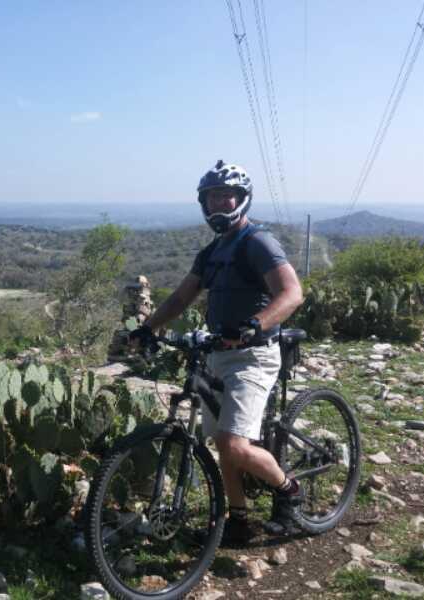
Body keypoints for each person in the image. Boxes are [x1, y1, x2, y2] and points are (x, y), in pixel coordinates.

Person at [129, 159, 305, 545]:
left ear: (242, 200)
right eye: (212, 198)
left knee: (233, 443)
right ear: (204, 205)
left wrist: (255, 324)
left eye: (227, 197)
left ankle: (289, 491)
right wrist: (147, 328)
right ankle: (238, 519)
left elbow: (292, 293)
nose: (220, 204)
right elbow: (179, 298)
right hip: (218, 352)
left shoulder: (257, 242)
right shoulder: (210, 253)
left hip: (254, 354)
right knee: (222, 440)